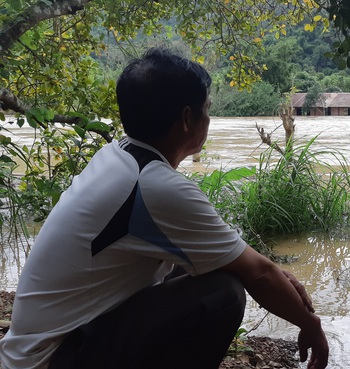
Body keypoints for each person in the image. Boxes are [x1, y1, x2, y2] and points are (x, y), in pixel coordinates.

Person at [0, 47, 329, 369]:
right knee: (223, 294)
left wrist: (263, 272)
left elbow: (233, 260)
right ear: (188, 118)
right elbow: (258, 273)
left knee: (217, 271)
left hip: (40, 348)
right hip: (52, 359)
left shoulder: (120, 156)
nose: (210, 118)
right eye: (207, 108)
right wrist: (310, 324)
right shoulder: (153, 185)